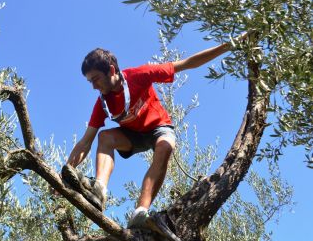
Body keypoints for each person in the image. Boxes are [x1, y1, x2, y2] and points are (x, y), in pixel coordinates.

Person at [61, 34, 250, 229]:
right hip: (133, 136)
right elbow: (85, 142)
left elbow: (187, 63)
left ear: (111, 70)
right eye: (90, 82)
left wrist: (230, 45)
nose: (93, 87)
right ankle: (99, 190)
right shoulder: (102, 103)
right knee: (104, 137)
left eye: (96, 79)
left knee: (165, 146)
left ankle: (140, 212)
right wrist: (66, 174)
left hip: (159, 128)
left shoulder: (139, 75)